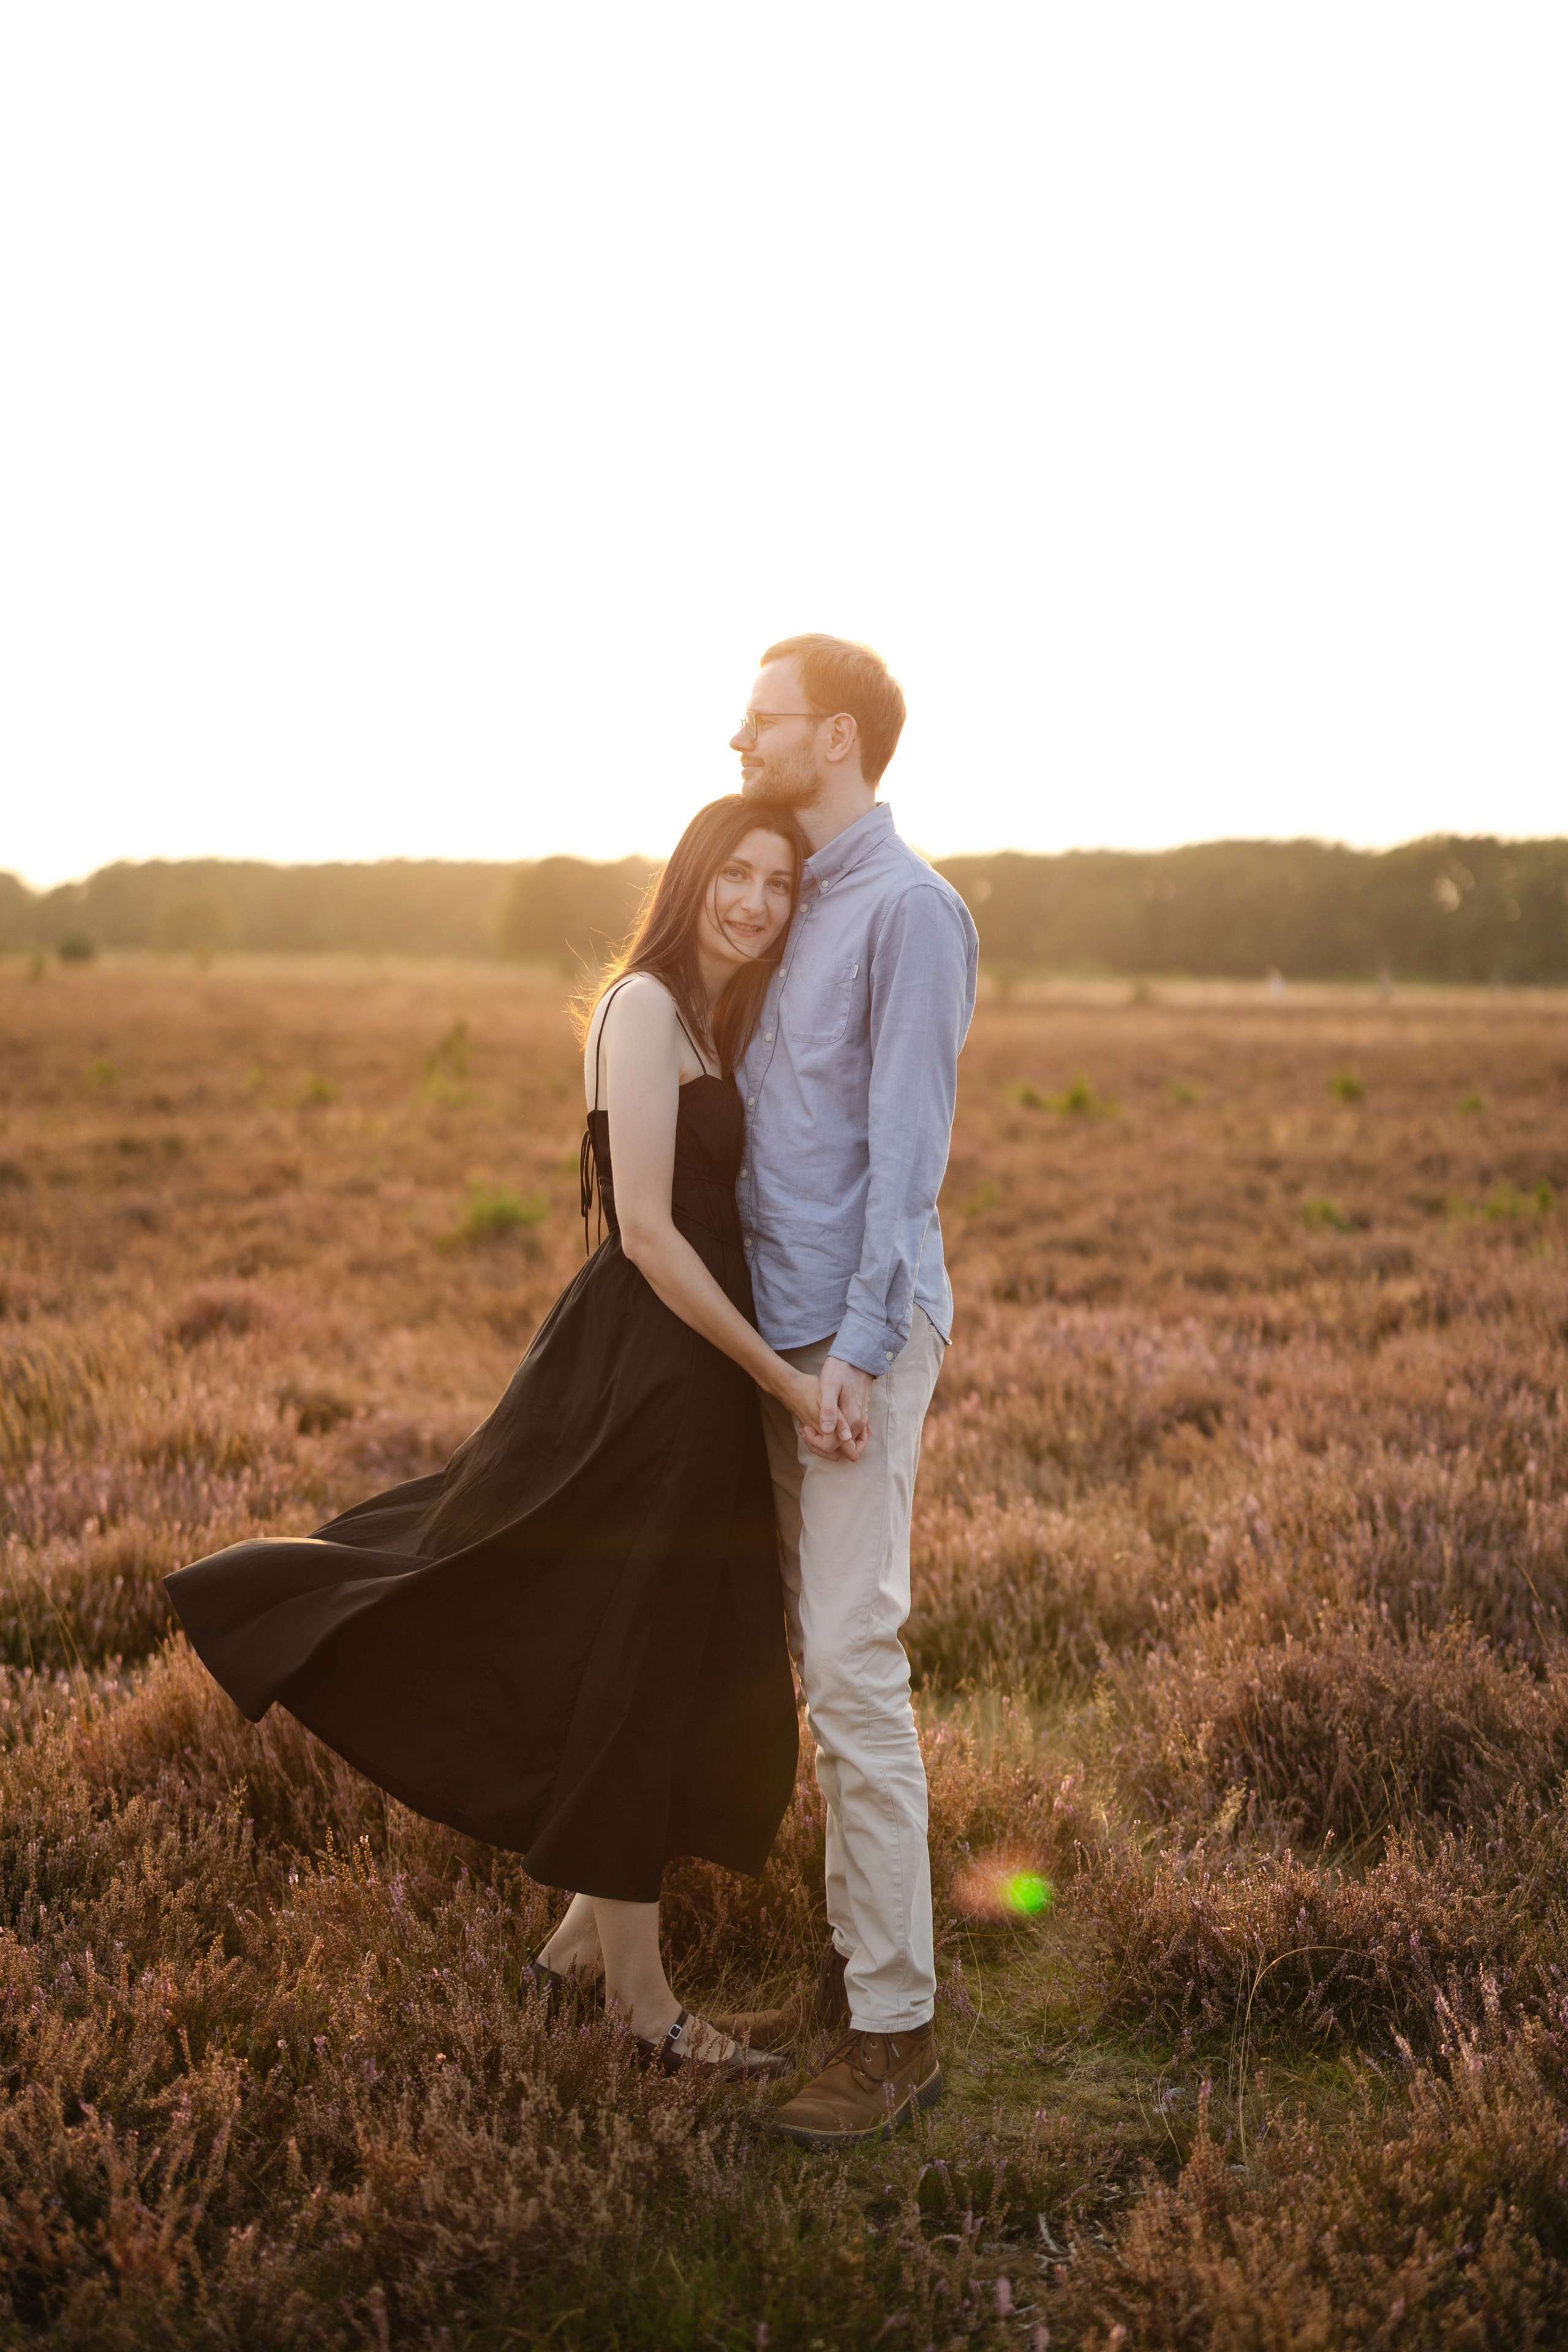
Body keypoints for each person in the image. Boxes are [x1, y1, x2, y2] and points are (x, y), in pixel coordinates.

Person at [164, 796, 817, 2079]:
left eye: (778, 884)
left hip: (685, 1376)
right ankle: (644, 2008)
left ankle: (577, 1943)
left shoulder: (707, 1017)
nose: (753, 901)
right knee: (622, 1654)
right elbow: (644, 1231)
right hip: (655, 1375)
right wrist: (782, 1387)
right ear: (689, 880)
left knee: (659, 1651)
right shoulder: (642, 1007)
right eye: (733, 874)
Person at [719, 634, 979, 2147]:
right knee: (781, 1656)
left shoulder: (911, 911)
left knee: (852, 1660)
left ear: (830, 735)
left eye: (758, 719)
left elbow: (905, 1161)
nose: (735, 736)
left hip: (845, 1349)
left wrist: (857, 1367)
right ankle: (834, 1970)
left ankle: (894, 2028)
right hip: (762, 1342)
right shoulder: (781, 896)